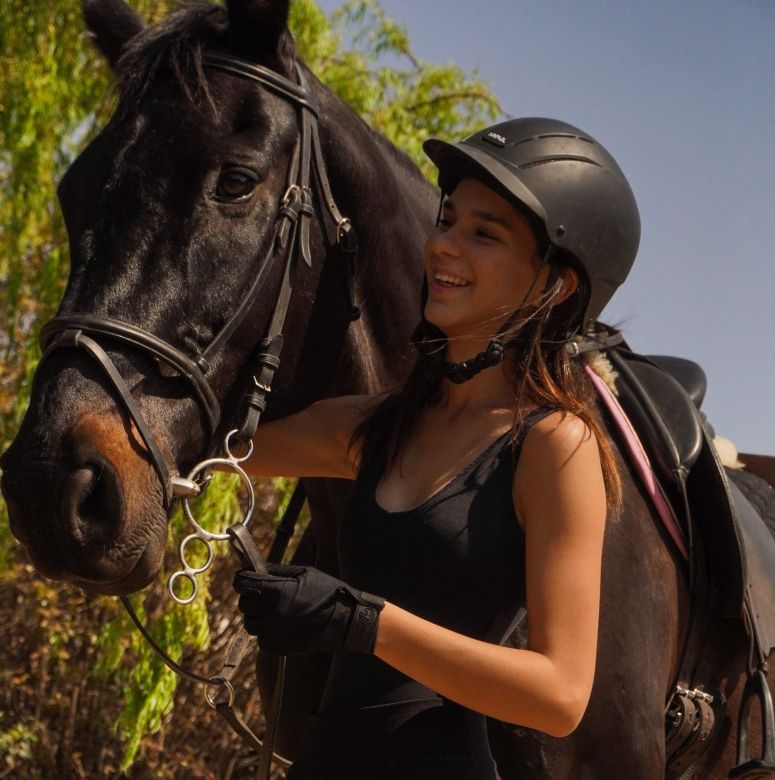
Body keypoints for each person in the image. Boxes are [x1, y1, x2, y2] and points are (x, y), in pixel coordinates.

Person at [232, 116, 641, 779]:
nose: (442, 246)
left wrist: (360, 621)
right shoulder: (374, 426)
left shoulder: (554, 445)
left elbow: (560, 695)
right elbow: (210, 447)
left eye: (483, 233)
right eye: (446, 221)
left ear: (554, 283)